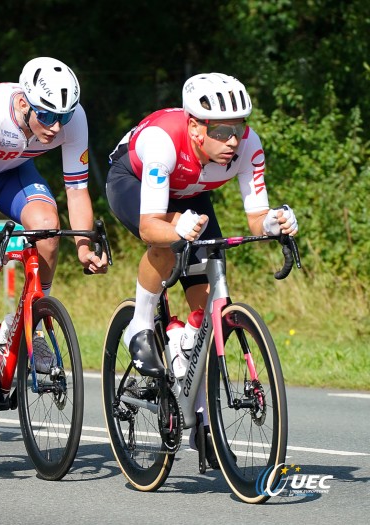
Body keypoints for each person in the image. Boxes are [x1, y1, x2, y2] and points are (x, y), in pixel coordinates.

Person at [105, 72, 298, 460]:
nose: (232, 141)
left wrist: (276, 222)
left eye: (239, 129)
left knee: (209, 303)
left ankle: (195, 392)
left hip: (192, 193)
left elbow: (257, 217)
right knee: (168, 241)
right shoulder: (163, 141)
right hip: (134, 180)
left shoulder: (248, 147)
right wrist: (175, 226)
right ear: (195, 128)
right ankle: (141, 325)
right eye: (222, 131)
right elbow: (149, 226)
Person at [0, 57, 108, 443]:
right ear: (25, 103)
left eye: (63, 117)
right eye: (47, 116)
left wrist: (83, 245)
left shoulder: (71, 120)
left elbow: (77, 190)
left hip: (13, 172)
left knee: (48, 228)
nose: (56, 127)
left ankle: (29, 321)